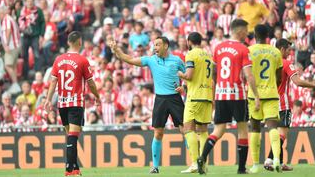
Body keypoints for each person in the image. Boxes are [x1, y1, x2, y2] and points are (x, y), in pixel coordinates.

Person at [107, 36, 185, 174]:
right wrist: (117, 50)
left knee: (185, 130)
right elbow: (129, 59)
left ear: (166, 46)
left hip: (175, 99)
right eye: (154, 45)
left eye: (157, 44)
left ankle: (195, 162)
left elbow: (189, 76)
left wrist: (184, 87)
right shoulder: (151, 60)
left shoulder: (177, 60)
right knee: (158, 132)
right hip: (160, 99)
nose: (155, 47)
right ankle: (155, 166)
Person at [197, 19, 260, 174]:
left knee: (218, 129)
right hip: (237, 95)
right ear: (239, 31)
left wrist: (215, 92)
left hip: (220, 94)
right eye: (245, 31)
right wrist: (256, 96)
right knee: (243, 130)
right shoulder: (244, 49)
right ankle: (241, 168)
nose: (247, 34)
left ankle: (202, 156)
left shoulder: (218, 48)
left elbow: (214, 72)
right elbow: (249, 75)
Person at [44, 31, 101, 176]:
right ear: (80, 42)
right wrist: (97, 96)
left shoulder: (58, 60)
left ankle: (75, 167)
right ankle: (69, 169)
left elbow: (53, 82)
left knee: (72, 135)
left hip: (62, 104)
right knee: (73, 136)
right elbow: (91, 83)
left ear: (68, 42)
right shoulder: (82, 60)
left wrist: (48, 100)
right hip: (75, 102)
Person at [264, 38, 315, 171]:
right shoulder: (285, 62)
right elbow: (297, 82)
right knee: (282, 134)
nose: (290, 53)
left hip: (268, 101)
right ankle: (269, 160)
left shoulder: (268, 61)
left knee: (275, 132)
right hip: (282, 101)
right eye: (288, 50)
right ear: (282, 49)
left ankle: (278, 161)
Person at [248, 24, 283, 173]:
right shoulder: (276, 52)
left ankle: (256, 164)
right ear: (268, 35)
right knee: (273, 127)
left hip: (254, 95)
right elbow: (279, 78)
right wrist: (271, 86)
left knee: (255, 128)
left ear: (255, 35)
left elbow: (247, 74)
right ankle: (276, 159)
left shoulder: (250, 51)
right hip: (271, 94)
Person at [176, 32, 213, 173]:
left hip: (195, 96)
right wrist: (185, 86)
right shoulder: (207, 55)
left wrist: (179, 73)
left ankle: (194, 163)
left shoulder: (191, 54)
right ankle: (204, 163)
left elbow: (189, 76)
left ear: (189, 42)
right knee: (203, 130)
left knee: (188, 129)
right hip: (207, 95)